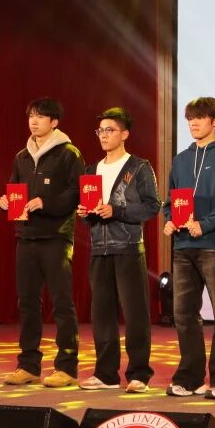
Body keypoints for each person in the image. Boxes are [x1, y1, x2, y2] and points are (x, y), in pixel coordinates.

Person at [162, 97, 215, 400]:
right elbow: (171, 201)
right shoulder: (181, 160)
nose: (193, 123)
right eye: (190, 118)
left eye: (200, 117)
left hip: (214, 245)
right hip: (183, 245)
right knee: (184, 314)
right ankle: (190, 378)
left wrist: (205, 224)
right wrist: (170, 220)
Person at [0, 97, 83, 388]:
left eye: (40, 116)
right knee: (27, 303)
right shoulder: (22, 156)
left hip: (56, 237)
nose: (34, 121)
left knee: (62, 303)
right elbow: (15, 188)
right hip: (26, 237)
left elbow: (76, 193)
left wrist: (45, 203)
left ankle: (67, 367)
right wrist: (6, 201)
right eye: (31, 116)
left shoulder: (69, 153)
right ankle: (28, 365)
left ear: (54, 122)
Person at [76, 107, 160, 393]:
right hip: (99, 248)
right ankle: (106, 374)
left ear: (124, 134)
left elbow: (152, 206)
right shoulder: (91, 170)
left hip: (128, 247)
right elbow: (91, 215)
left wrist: (117, 210)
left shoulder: (138, 167)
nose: (103, 135)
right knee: (102, 314)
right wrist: (85, 213)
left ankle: (139, 374)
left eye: (109, 130)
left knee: (135, 314)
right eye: (100, 130)